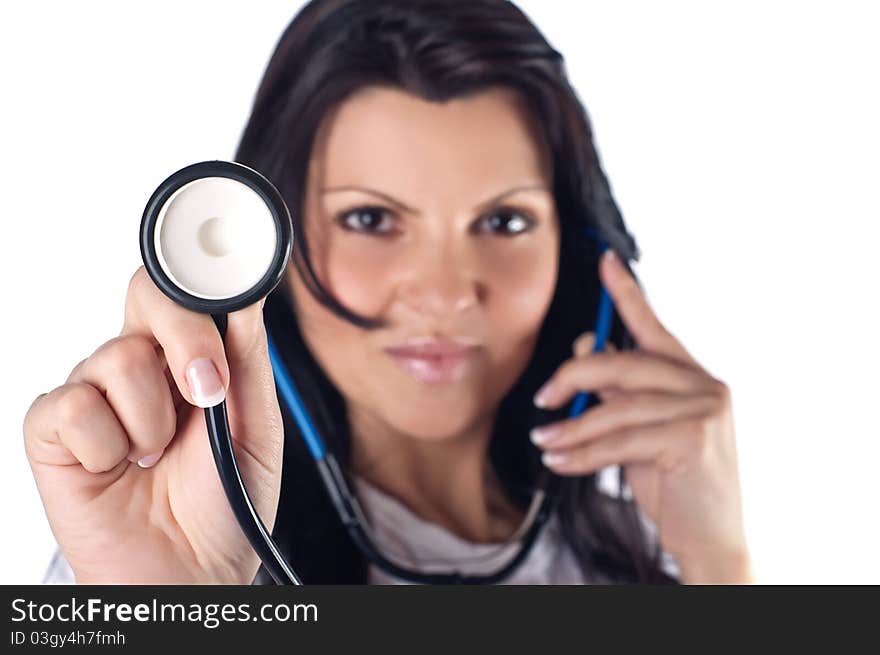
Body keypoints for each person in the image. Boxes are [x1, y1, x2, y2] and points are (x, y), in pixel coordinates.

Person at [25, 0, 754, 585]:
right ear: (265, 253)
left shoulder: (654, 557)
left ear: (585, 252)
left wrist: (720, 564)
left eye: (504, 220)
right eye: (370, 218)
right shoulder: (165, 543)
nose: (443, 294)